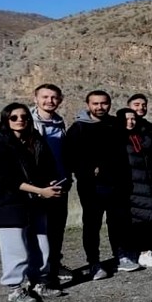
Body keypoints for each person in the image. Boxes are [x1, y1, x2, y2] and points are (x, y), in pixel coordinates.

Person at [0, 103, 61, 302]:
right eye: (14, 117)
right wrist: (40, 191)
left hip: (35, 201)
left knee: (41, 244)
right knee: (14, 248)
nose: (20, 120)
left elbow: (46, 166)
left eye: (24, 117)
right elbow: (5, 179)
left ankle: (39, 282)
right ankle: (15, 288)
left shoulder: (35, 140)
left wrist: (50, 182)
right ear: (6, 119)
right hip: (8, 203)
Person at [62, 90, 127, 281]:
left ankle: (121, 255)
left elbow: (122, 153)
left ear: (110, 104)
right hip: (91, 186)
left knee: (117, 222)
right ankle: (94, 262)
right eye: (95, 103)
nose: (100, 107)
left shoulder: (115, 124)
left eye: (104, 103)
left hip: (116, 183)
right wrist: (88, 170)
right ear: (88, 105)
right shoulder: (78, 128)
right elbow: (69, 157)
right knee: (92, 225)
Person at [30, 83, 72, 287]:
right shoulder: (27, 123)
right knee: (38, 231)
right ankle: (39, 273)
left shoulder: (59, 122)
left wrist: (68, 177)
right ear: (35, 98)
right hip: (38, 188)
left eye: (54, 97)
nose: (50, 101)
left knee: (57, 228)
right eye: (45, 97)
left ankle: (54, 264)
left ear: (60, 100)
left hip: (60, 184)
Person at [116, 108, 152, 271]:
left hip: (146, 183)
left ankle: (146, 250)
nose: (130, 122)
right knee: (131, 221)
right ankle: (134, 251)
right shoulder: (117, 139)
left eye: (133, 119)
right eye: (126, 119)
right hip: (128, 186)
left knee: (147, 218)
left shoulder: (143, 137)